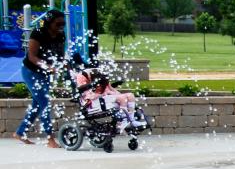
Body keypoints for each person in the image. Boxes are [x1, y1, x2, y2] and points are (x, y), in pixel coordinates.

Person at [14, 9, 65, 147]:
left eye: (63, 24)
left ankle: (20, 132)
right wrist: (48, 67)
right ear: (49, 23)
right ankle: (50, 139)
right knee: (44, 103)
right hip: (31, 72)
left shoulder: (60, 35)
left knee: (37, 104)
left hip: (45, 74)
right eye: (58, 23)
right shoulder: (38, 34)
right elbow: (32, 56)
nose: (61, 27)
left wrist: (63, 66)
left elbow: (60, 56)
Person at [75, 67, 145, 131]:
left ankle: (132, 120)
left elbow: (111, 89)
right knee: (122, 98)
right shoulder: (84, 80)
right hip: (95, 102)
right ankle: (124, 121)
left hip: (104, 99)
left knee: (130, 96)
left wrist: (121, 95)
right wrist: (104, 93)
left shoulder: (101, 76)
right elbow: (89, 96)